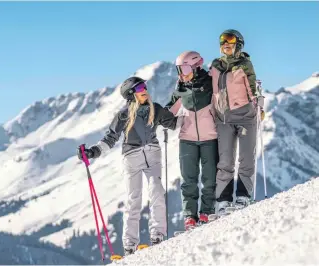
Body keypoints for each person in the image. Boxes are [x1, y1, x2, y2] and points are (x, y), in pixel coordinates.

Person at [77, 76, 179, 255]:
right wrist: (93, 152)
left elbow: (175, 123)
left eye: (145, 87)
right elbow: (110, 139)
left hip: (153, 153)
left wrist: (190, 107)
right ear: (131, 94)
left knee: (157, 190)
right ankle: (130, 244)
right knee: (134, 198)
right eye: (140, 89)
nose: (145, 90)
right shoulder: (123, 115)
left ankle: (157, 235)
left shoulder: (156, 110)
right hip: (132, 157)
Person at [209, 29, 265, 215]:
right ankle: (223, 201)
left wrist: (259, 105)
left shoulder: (245, 64)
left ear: (238, 44)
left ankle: (243, 196)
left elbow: (253, 85)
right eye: (222, 41)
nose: (226, 44)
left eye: (230, 40)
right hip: (223, 119)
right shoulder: (215, 66)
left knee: (246, 158)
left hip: (245, 117)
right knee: (225, 161)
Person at [165, 51, 219, 230]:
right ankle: (190, 216)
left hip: (210, 137)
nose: (181, 73)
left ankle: (207, 211)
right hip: (187, 138)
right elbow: (170, 110)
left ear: (196, 66)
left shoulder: (210, 82)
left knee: (210, 177)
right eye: (179, 69)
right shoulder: (181, 86)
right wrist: (159, 117)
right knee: (189, 179)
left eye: (185, 68)